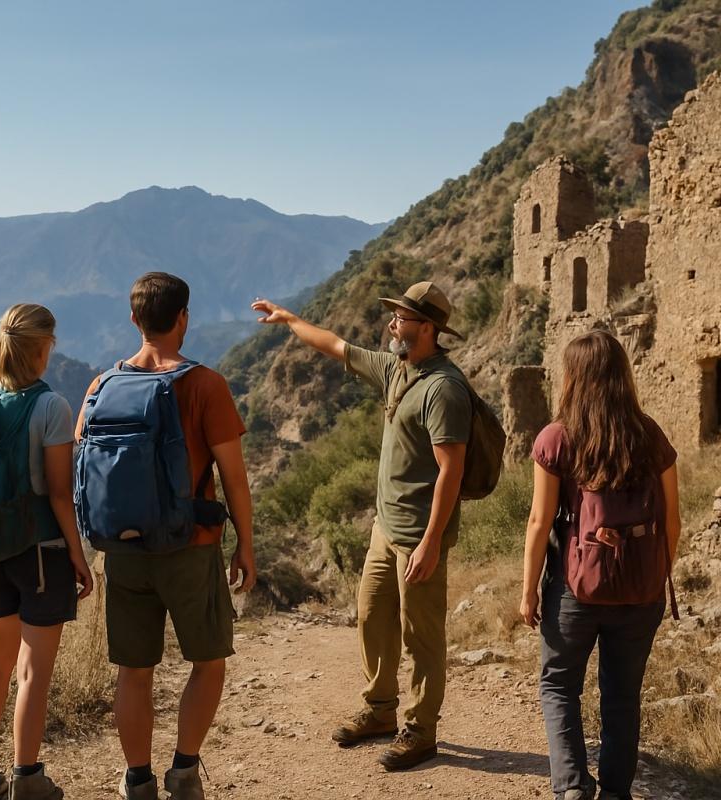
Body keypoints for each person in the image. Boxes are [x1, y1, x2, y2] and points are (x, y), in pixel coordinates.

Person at [252, 281, 471, 771]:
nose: (392, 324)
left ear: (428, 328)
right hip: (384, 529)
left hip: (419, 537)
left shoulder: (443, 389)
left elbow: (451, 472)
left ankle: (421, 730)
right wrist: (288, 319)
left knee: (422, 637)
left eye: (402, 318)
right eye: (393, 317)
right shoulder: (397, 368)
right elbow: (334, 345)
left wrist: (432, 542)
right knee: (373, 617)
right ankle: (380, 712)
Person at [77, 272, 257, 800]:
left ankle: (137, 781)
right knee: (208, 661)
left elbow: (85, 468)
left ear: (134, 320)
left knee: (133, 672)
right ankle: (183, 771)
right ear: (184, 319)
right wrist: (244, 543)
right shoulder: (205, 385)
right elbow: (233, 477)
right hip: (190, 548)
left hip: (124, 553)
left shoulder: (101, 386)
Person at [519, 331, 681, 800]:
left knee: (558, 687)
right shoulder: (650, 436)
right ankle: (614, 793)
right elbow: (673, 521)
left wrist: (529, 589)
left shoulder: (557, 438)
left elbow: (538, 520)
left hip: (575, 587)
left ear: (574, 377)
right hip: (640, 589)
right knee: (622, 697)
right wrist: (650, 573)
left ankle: (572, 788)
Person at [0, 303, 94, 800]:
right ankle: (27, 779)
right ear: (41, 348)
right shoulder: (50, 406)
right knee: (33, 670)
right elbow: (59, 493)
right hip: (38, 555)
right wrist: (78, 555)